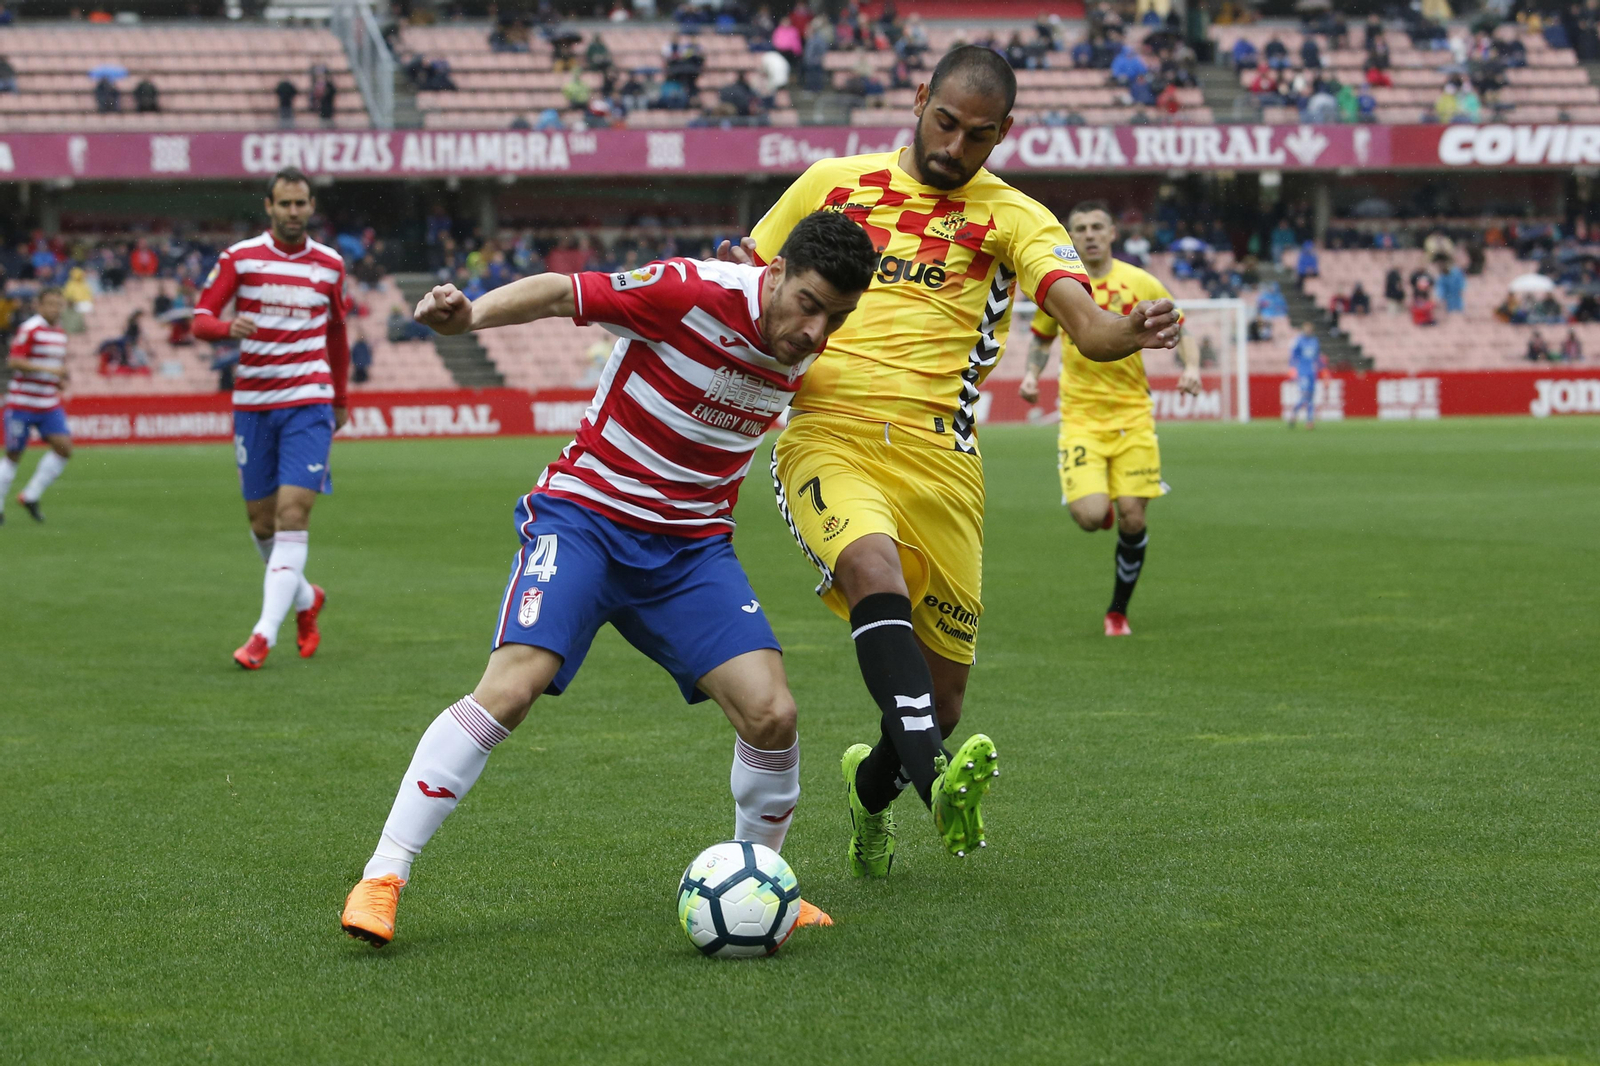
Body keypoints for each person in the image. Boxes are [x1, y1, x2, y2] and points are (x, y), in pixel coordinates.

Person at [338, 210, 877, 948]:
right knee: (512, 685)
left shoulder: (811, 350)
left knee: (772, 713)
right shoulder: (688, 290)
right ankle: (384, 875)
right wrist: (469, 317)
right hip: (587, 521)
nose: (816, 332)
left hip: (690, 554)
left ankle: (763, 880)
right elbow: (564, 291)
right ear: (775, 274)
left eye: (837, 318)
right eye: (809, 305)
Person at [718, 46, 1179, 875]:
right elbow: (745, 286)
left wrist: (1128, 333)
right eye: (944, 123)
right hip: (829, 433)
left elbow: (1089, 326)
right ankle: (934, 783)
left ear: (1004, 134)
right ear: (920, 95)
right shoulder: (831, 184)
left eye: (977, 136)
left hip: (943, 461)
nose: (954, 148)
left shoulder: (1016, 218)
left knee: (946, 699)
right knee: (870, 567)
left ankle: (871, 789)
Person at [1017, 201, 1201, 637]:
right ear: (1071, 236)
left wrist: (1190, 367)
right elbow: (1042, 339)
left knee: (1133, 518)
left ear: (1113, 232)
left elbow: (1183, 328)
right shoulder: (1061, 286)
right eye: (1080, 228)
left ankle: (1118, 611)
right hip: (1080, 418)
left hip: (1133, 414)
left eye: (1098, 226)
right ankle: (1099, 505)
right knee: (1089, 516)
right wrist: (1029, 375)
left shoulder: (1139, 281)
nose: (1090, 234)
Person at [192, 168, 350, 671]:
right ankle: (306, 598)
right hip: (254, 404)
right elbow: (200, 320)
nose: (293, 212)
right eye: (284, 204)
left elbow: (338, 337)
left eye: (301, 203)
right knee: (260, 522)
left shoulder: (330, 265)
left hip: (309, 400)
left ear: (311, 206)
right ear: (269, 206)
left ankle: (263, 634)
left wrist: (340, 397)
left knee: (292, 516)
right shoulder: (240, 258)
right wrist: (225, 327)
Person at [0, 287, 72, 525]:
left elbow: (52, 366)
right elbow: (15, 361)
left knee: (64, 448)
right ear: (40, 306)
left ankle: (30, 495)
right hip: (22, 403)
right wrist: (50, 370)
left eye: (58, 304)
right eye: (50, 304)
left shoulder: (60, 333)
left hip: (48, 402)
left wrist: (59, 380)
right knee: (13, 456)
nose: (55, 308)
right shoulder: (30, 328)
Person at [1287, 320, 1324, 429]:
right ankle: (1307, 419)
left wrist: (1323, 368)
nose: (1308, 331)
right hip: (1302, 371)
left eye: (1310, 329)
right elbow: (1293, 356)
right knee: (1305, 395)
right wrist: (1292, 368)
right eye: (1307, 328)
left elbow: (1317, 357)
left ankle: (1303, 418)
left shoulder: (1315, 341)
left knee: (1310, 397)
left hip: (1312, 372)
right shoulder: (1299, 341)